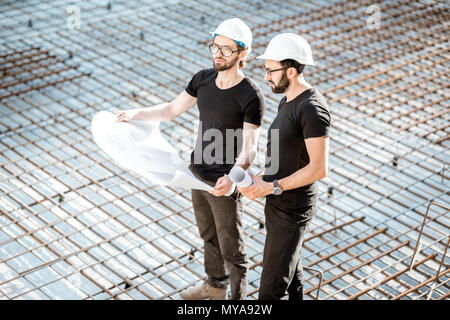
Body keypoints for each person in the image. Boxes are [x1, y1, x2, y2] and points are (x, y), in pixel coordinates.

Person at [116, 18, 265, 300]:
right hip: (196, 174)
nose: (217, 54)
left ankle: (238, 300)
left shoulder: (251, 95)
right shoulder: (202, 80)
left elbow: (250, 148)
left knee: (231, 246)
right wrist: (137, 113)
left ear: (243, 54)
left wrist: (233, 178)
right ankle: (216, 286)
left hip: (224, 181)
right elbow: (171, 110)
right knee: (208, 235)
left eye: (226, 49)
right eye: (215, 46)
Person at [238, 33, 330, 300]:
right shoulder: (286, 100)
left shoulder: (312, 109)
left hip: (293, 210)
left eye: (270, 70)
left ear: (290, 71)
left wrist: (272, 186)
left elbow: (318, 169)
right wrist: (262, 178)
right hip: (277, 203)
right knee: (293, 278)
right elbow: (284, 154)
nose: (265, 76)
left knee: (269, 293)